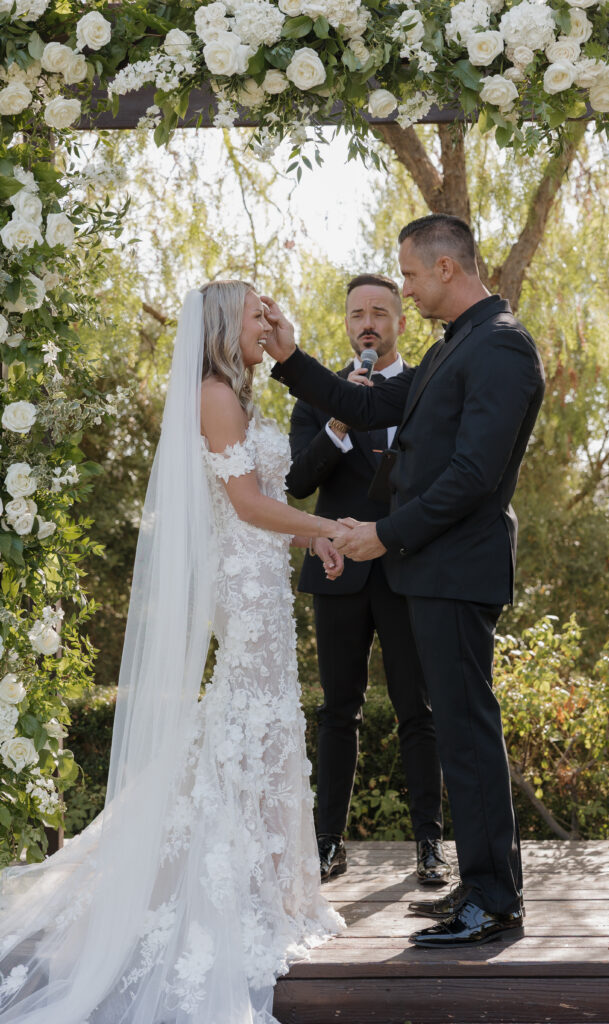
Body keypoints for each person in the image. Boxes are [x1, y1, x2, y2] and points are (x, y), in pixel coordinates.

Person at [0, 281, 346, 1023]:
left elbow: (260, 501)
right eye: (257, 311)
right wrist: (325, 530)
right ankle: (224, 880)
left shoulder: (239, 395)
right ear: (225, 322)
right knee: (248, 715)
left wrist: (306, 536)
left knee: (262, 715)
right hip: (242, 582)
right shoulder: (214, 394)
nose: (270, 319)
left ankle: (268, 881)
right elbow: (248, 504)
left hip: (261, 577)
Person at [264, 215, 545, 948]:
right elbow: (360, 406)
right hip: (434, 571)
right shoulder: (454, 349)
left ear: (446, 268)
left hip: (456, 570)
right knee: (455, 730)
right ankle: (480, 886)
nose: (407, 289)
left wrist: (381, 534)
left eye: (411, 277)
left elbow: (472, 476)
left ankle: (492, 899)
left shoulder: (502, 348)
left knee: (467, 733)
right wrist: (290, 355)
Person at [286, 273, 449, 887]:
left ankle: (430, 846)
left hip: (410, 568)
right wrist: (340, 423)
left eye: (381, 310)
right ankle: (328, 844)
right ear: (347, 324)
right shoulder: (318, 394)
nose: (369, 323)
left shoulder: (422, 389)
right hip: (339, 573)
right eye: (358, 314)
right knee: (337, 711)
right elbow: (298, 484)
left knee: (419, 710)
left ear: (401, 321)